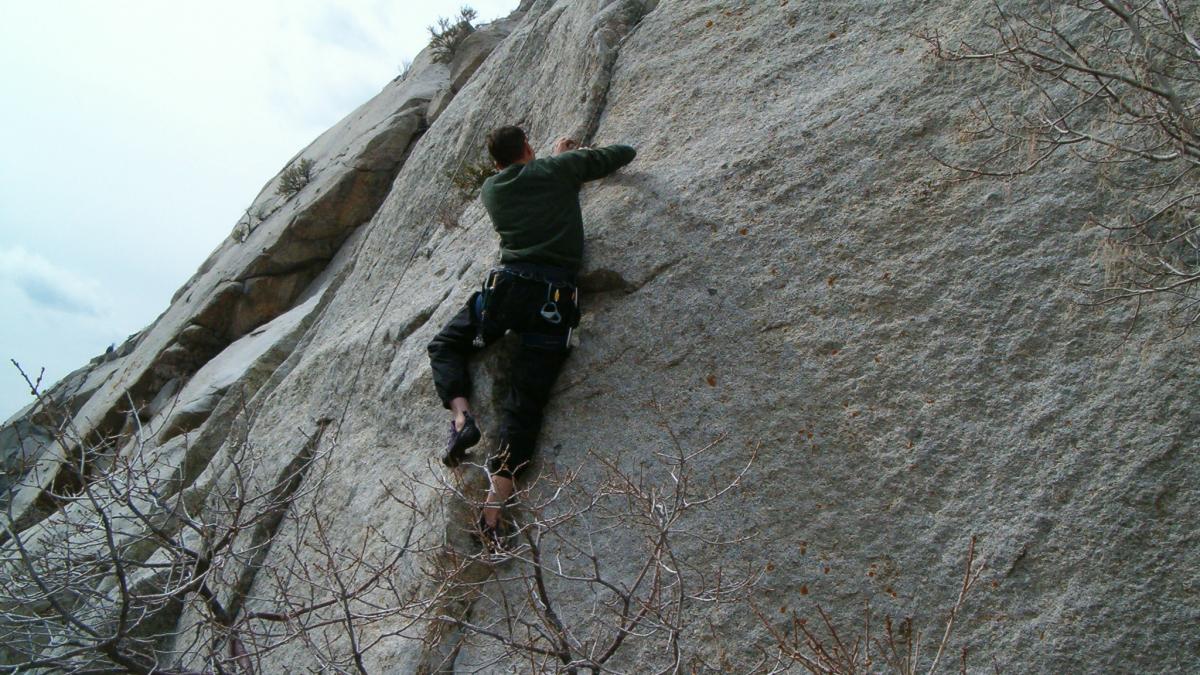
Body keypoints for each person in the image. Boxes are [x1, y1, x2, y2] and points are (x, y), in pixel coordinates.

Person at [426, 125, 636, 549]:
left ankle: (462, 419)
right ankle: (492, 510)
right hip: (552, 301)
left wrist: (554, 164)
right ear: (528, 147)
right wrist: (567, 159)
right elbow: (624, 152)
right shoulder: (559, 169)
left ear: (496, 163)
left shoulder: (491, 190)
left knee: (445, 344)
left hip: (504, 293)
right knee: (524, 405)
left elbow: (529, 181)